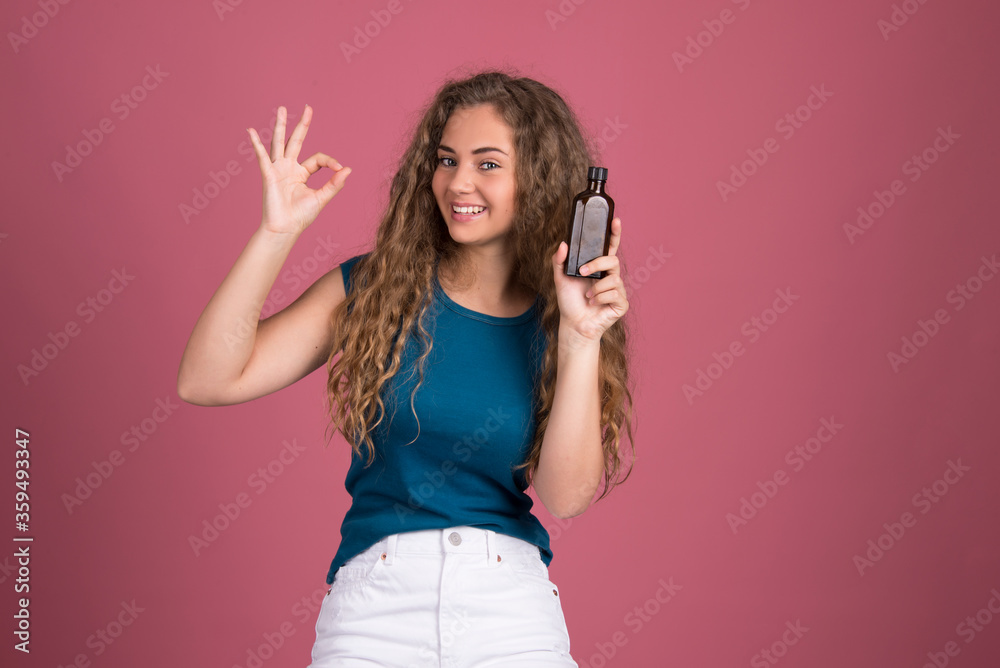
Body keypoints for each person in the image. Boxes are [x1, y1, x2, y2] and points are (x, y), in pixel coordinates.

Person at [177, 68, 636, 666]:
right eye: (446, 160)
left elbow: (565, 496)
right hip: (375, 608)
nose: (458, 182)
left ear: (539, 179)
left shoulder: (573, 310)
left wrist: (578, 340)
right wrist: (275, 233)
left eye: (488, 164)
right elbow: (207, 380)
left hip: (510, 614)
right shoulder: (374, 288)